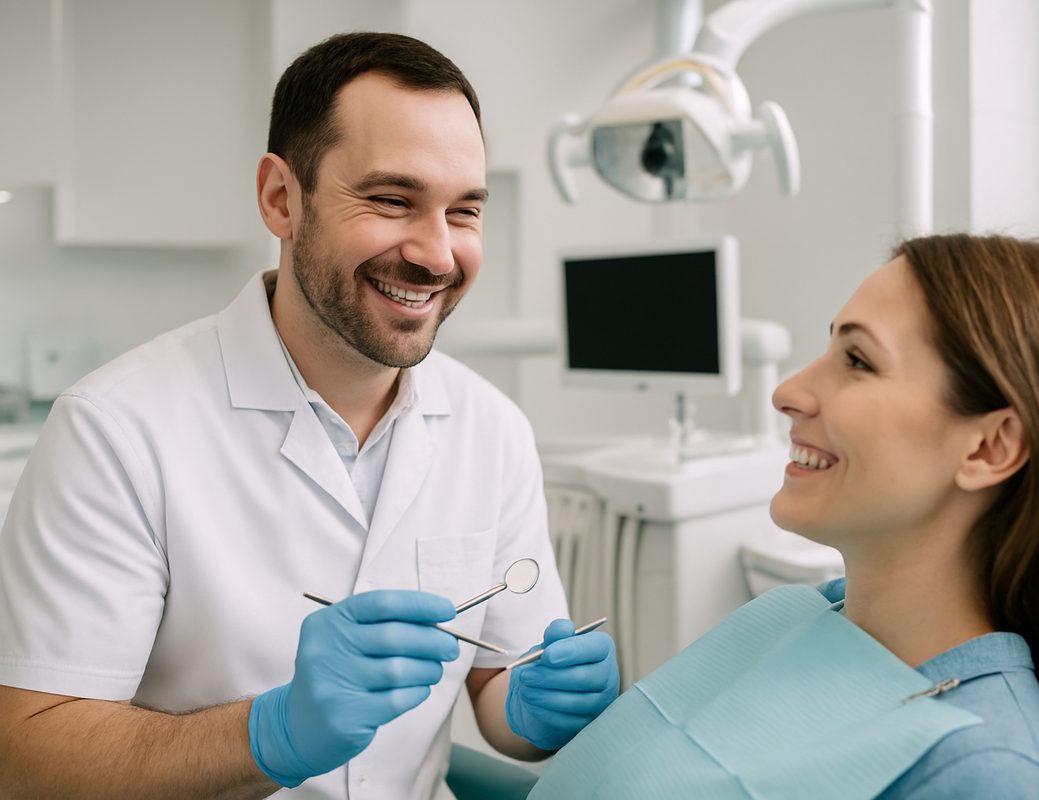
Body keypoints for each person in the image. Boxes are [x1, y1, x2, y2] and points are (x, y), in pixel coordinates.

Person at [0, 32, 618, 799]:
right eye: (392, 200)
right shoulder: (114, 431)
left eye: (464, 211)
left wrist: (536, 713)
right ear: (281, 199)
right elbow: (30, 758)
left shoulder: (492, 430)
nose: (437, 254)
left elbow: (497, 685)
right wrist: (272, 732)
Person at [530, 234, 1039, 799]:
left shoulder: (984, 769)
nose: (787, 392)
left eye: (857, 361)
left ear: (988, 447)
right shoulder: (806, 614)